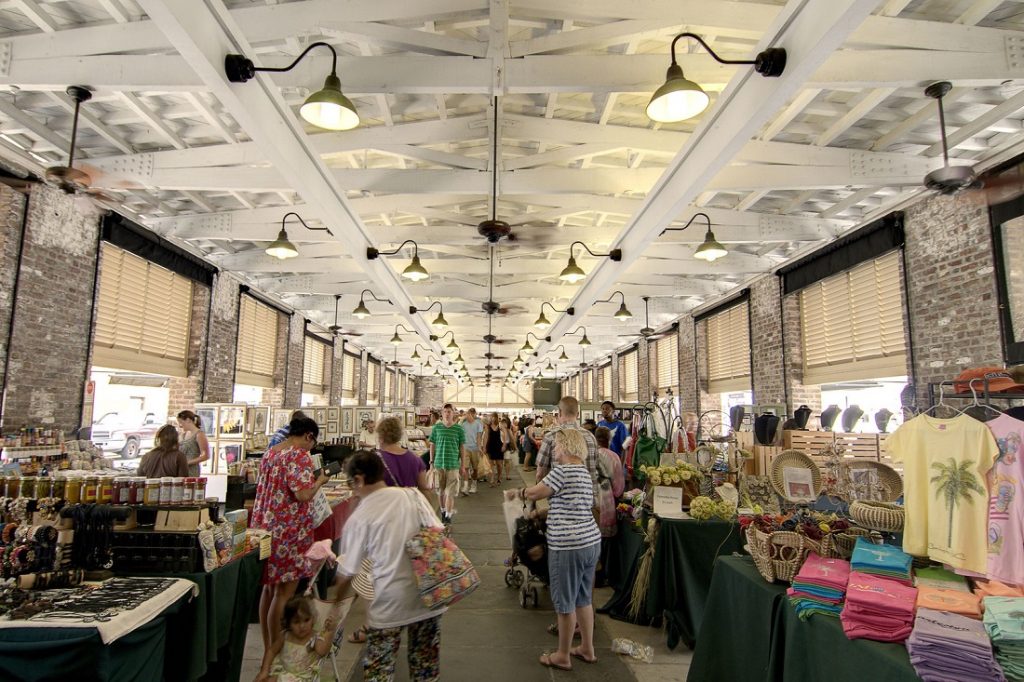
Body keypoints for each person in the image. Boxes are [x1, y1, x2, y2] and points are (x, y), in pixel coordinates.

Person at [335, 450, 446, 681]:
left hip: (388, 604)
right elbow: (437, 531)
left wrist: (333, 613)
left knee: (379, 672)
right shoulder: (411, 496)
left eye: (350, 482)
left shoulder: (359, 517)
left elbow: (347, 572)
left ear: (359, 479)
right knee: (425, 670)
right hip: (427, 597)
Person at [509, 429, 601, 670]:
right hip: (590, 542)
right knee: (583, 599)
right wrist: (542, 512)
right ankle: (587, 649)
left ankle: (562, 655)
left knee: (564, 603)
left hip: (567, 546)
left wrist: (517, 493)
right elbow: (575, 505)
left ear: (567, 447)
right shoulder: (583, 473)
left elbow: (534, 492)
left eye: (557, 446)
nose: (554, 451)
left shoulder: (561, 471)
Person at [252, 417, 332, 654]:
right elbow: (304, 494)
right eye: (313, 442)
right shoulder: (298, 456)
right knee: (284, 593)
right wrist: (320, 481)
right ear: (308, 436)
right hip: (288, 531)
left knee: (268, 589)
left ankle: (269, 646)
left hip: (265, 527)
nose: (311, 448)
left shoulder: (271, 453)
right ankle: (276, 649)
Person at [255, 595, 335, 682]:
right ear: (288, 622)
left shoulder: (314, 637)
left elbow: (322, 651)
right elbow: (271, 651)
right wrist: (264, 670)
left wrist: (329, 632)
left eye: (306, 620)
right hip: (283, 672)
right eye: (296, 622)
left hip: (302, 678)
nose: (302, 626)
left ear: (313, 619)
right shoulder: (285, 636)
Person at [535, 397, 598, 492]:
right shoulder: (591, 437)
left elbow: (540, 473)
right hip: (589, 497)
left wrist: (535, 499)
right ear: (578, 414)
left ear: (559, 413)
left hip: (563, 499)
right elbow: (596, 467)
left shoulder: (551, 436)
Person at [429, 403, 466, 524]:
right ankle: (444, 511)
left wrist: (463, 465)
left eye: (449, 411)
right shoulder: (436, 428)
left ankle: (448, 517)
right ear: (442, 413)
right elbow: (432, 445)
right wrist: (431, 462)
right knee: (440, 492)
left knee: (450, 493)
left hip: (453, 465)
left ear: (453, 413)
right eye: (445, 411)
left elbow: (462, 448)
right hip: (439, 464)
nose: (447, 413)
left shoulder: (459, 429)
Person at [594, 426, 625, 537]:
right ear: (609, 439)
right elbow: (618, 487)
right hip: (606, 498)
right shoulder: (613, 457)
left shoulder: (588, 455)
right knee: (605, 539)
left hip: (589, 498)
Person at [176, 410, 210, 476]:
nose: (180, 426)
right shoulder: (182, 435)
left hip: (192, 471)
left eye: (181, 422)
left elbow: (205, 456)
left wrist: (187, 462)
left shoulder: (199, 434)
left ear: (188, 420)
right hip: (180, 470)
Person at [460, 408, 484, 495]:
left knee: (475, 468)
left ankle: (474, 484)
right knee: (465, 468)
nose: (467, 415)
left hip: (475, 449)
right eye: (466, 414)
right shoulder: (463, 424)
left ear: (473, 414)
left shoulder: (478, 424)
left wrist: (479, 448)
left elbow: (479, 437)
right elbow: (461, 437)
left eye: (468, 414)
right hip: (466, 448)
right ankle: (465, 486)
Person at [484, 412, 505, 487]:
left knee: (499, 464)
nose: (492, 418)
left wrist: (504, 445)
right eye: (491, 417)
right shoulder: (487, 426)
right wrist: (484, 447)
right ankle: (492, 479)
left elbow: (505, 435)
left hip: (499, 446)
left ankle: (499, 477)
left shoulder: (500, 425)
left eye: (494, 417)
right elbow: (486, 436)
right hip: (490, 446)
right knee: (491, 464)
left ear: (496, 418)